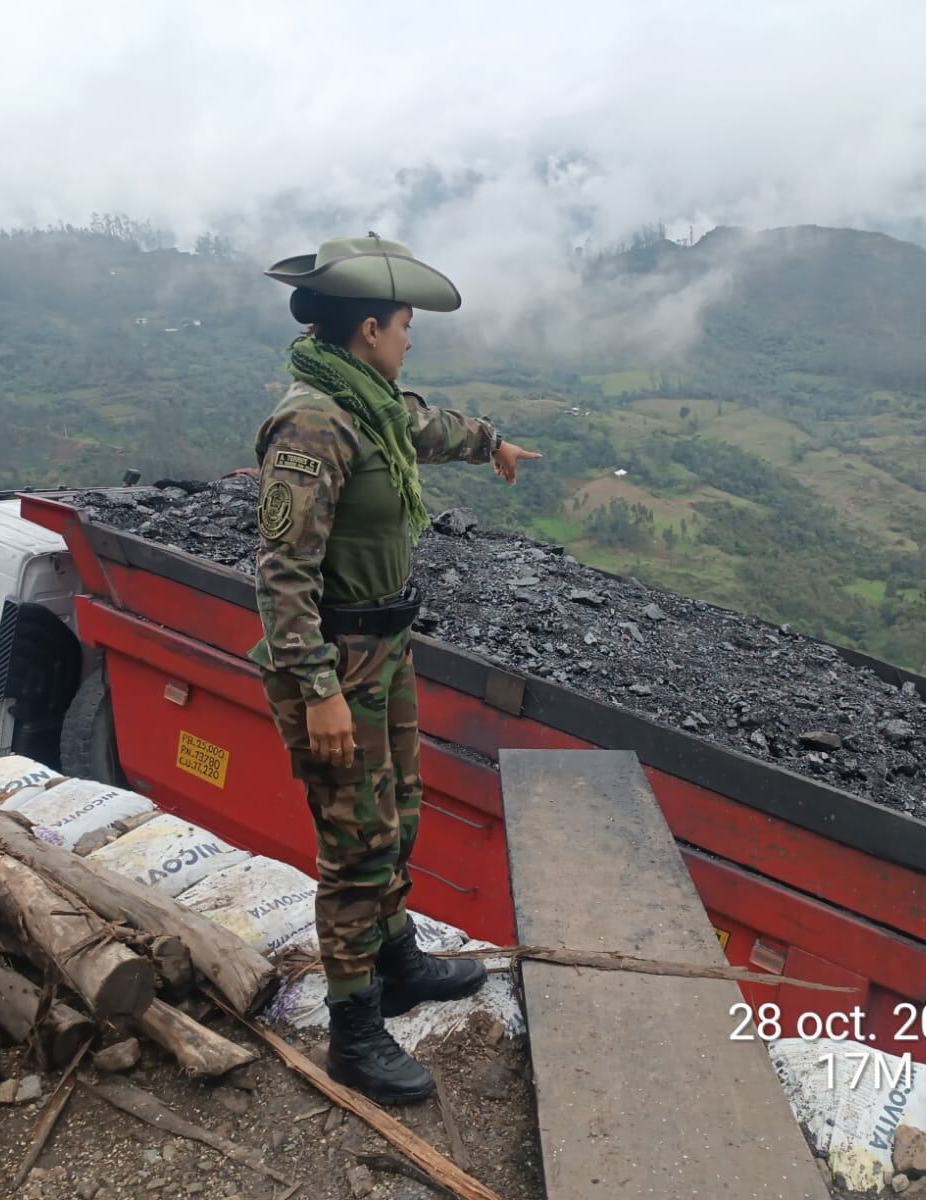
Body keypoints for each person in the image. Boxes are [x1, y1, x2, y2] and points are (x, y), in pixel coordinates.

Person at [247, 234, 540, 1104]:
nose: (412, 338)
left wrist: (493, 443)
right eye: (406, 325)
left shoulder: (368, 402)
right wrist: (320, 691)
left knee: (398, 813)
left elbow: (425, 425)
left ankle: (398, 958)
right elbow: (282, 574)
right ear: (370, 329)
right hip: (332, 660)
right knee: (354, 844)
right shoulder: (314, 424)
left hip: (384, 647)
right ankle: (354, 1026)